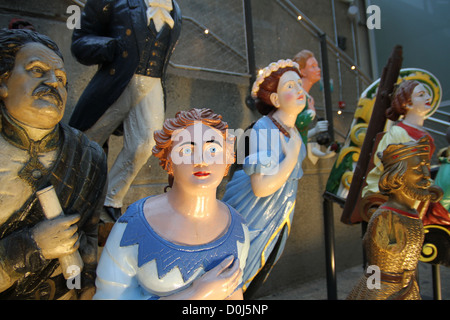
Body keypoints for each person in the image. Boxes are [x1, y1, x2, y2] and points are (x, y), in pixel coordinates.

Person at [93, 108, 250, 300]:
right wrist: (196, 294)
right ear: (168, 160)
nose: (201, 160)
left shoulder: (238, 229)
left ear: (227, 156)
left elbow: (234, 292)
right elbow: (109, 296)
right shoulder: (134, 227)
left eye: (213, 150)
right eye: (187, 150)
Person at [0, 29, 107, 300]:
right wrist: (31, 246)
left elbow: (89, 234)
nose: (53, 83)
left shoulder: (89, 156)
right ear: (3, 81)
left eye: (61, 79)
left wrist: (87, 285)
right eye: (37, 70)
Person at [69, 0, 182, 220]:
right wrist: (110, 47)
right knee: (89, 138)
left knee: (146, 142)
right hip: (117, 80)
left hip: (153, 84)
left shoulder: (176, 10)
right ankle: (72, 193)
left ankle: (110, 199)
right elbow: (80, 42)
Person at [222, 59, 306, 298]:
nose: (299, 89)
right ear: (276, 100)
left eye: (299, 84)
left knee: (262, 269)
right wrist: (290, 157)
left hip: (279, 216)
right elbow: (260, 188)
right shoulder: (263, 129)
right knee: (240, 274)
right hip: (255, 214)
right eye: (290, 86)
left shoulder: (293, 132)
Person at [347, 137, 442, 300]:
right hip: (387, 293)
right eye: (418, 170)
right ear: (398, 176)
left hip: (407, 289)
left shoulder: (408, 213)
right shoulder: (386, 218)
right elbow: (374, 269)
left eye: (426, 167)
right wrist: (372, 294)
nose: (427, 176)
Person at [361, 80, 436, 218]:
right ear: (407, 103)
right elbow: (382, 167)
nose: (428, 97)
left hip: (420, 195)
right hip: (402, 198)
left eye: (427, 94)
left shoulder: (426, 136)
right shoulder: (397, 133)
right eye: (421, 94)